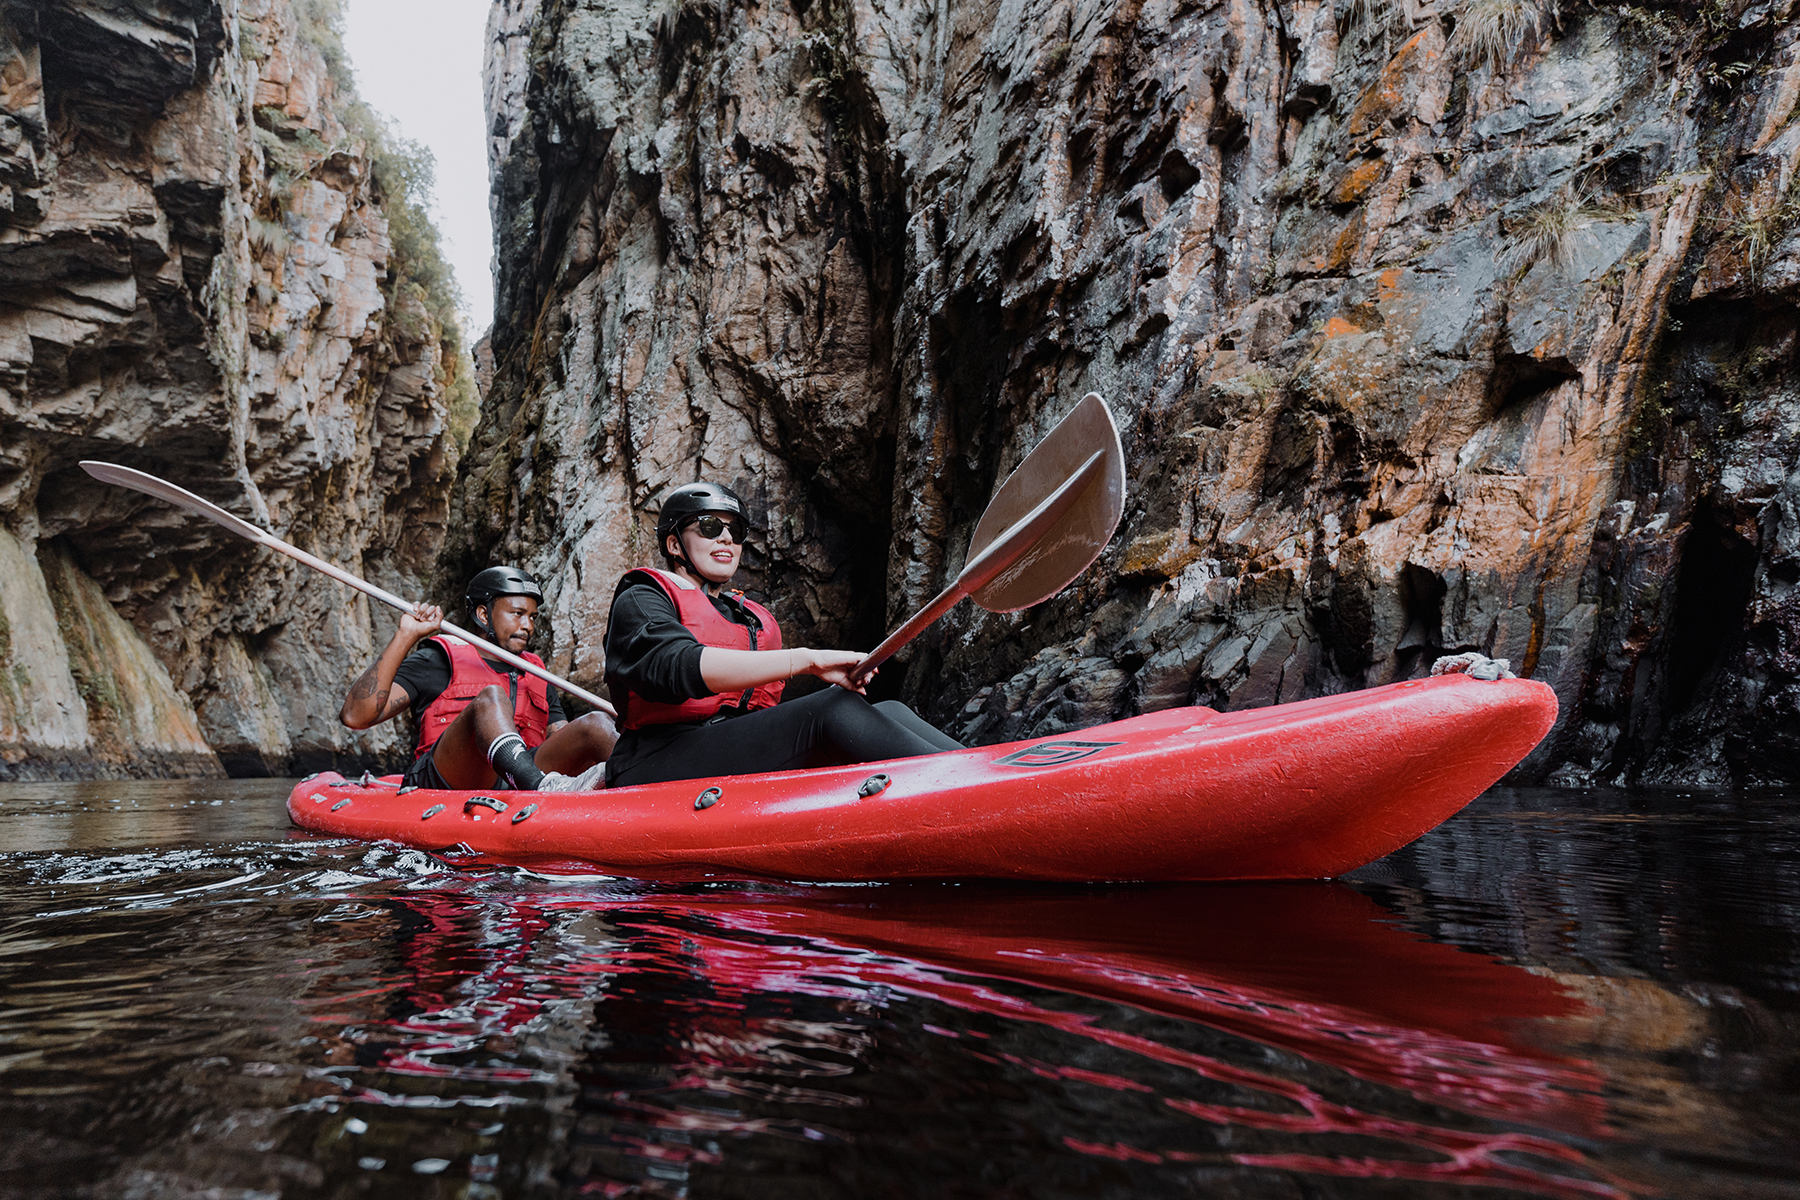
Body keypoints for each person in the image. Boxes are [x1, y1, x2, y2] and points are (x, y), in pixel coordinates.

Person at [602, 481, 962, 788]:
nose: (727, 538)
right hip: (655, 759)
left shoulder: (744, 615)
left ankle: (989, 769)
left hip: (726, 746)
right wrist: (806, 660)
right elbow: (673, 666)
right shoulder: (642, 597)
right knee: (831, 709)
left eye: (736, 531)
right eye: (710, 527)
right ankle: (965, 785)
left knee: (891, 709)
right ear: (675, 545)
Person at [340, 566, 617, 790]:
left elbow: (562, 738)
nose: (528, 625)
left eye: (532, 617)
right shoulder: (439, 659)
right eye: (518, 614)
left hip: (521, 783)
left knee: (597, 724)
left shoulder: (535, 671)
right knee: (491, 696)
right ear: (484, 614)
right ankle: (536, 784)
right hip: (449, 778)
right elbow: (355, 716)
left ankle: (648, 783)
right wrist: (407, 635)